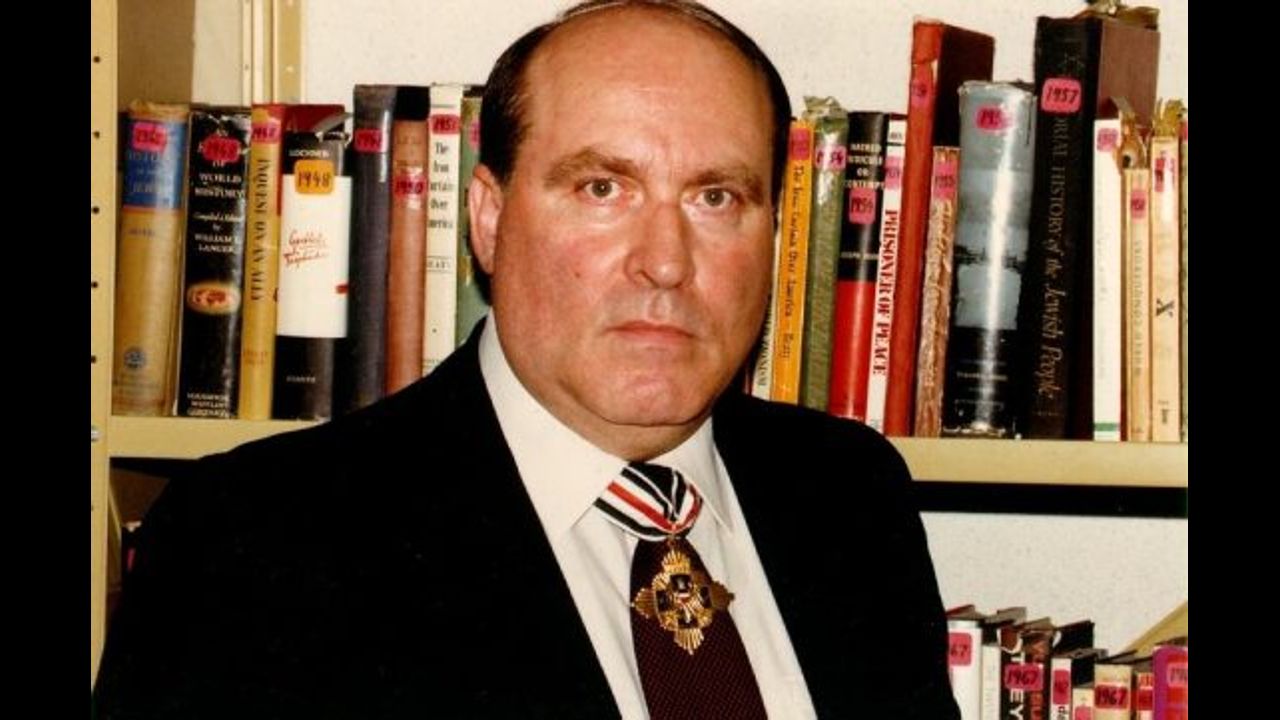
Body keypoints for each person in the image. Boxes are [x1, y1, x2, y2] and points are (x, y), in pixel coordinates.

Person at [94, 1, 958, 717]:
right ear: (489, 219)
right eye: (602, 188)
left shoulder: (849, 497)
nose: (665, 261)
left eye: (716, 196)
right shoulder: (255, 545)